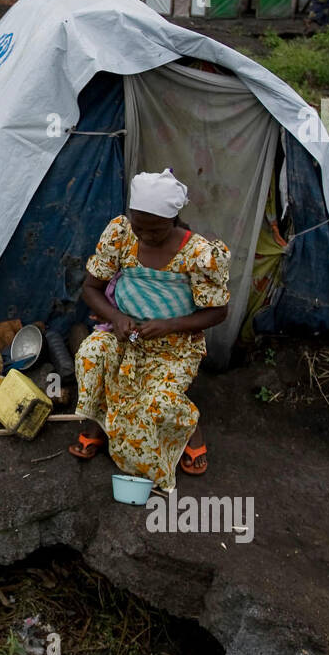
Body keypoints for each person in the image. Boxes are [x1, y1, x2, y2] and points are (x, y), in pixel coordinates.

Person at [68, 170, 230, 490]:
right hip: (125, 335)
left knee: (158, 403)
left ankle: (189, 428)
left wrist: (170, 325)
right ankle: (100, 423)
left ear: (173, 220)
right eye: (138, 226)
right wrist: (116, 318)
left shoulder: (199, 254)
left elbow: (218, 311)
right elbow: (91, 289)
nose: (144, 236)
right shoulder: (121, 233)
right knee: (91, 354)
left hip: (174, 345)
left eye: (154, 230)